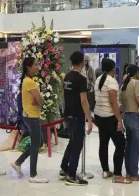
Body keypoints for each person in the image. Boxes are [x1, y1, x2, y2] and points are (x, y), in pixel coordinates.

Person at [11, 57, 48, 183]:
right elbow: (40, 100)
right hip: (32, 116)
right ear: (28, 67)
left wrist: (37, 100)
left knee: (36, 143)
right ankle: (33, 175)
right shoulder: (29, 82)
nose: (37, 67)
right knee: (35, 145)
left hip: (29, 115)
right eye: (35, 65)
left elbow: (37, 100)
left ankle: (18, 162)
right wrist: (39, 100)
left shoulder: (27, 81)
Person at [59, 51, 93, 186]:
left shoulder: (67, 76)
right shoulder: (81, 79)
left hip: (68, 114)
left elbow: (63, 95)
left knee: (73, 142)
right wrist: (89, 119)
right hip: (78, 116)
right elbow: (84, 100)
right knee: (77, 144)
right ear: (82, 62)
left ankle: (64, 168)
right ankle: (71, 175)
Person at [93, 58, 127, 183]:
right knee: (120, 144)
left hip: (99, 115)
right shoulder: (112, 82)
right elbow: (113, 102)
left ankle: (105, 171)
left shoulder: (98, 79)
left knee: (104, 143)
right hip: (110, 116)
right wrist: (119, 120)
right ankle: (117, 174)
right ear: (113, 68)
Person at [120, 64, 139, 182]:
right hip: (135, 116)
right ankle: (135, 174)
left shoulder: (124, 84)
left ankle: (129, 173)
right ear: (136, 73)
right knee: (135, 146)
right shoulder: (137, 83)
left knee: (129, 145)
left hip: (126, 116)